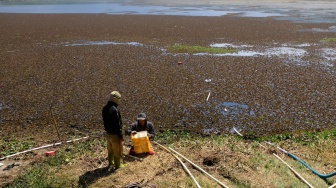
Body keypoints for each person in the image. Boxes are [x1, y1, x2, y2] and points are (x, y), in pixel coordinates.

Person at [102, 91, 125, 169]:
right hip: (115, 135)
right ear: (115, 99)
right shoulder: (114, 110)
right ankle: (118, 165)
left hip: (108, 133)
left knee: (110, 149)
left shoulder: (104, 108)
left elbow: (105, 122)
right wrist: (120, 135)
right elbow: (117, 124)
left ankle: (110, 163)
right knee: (117, 151)